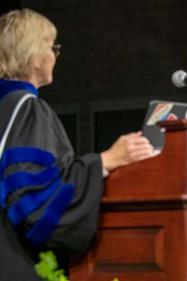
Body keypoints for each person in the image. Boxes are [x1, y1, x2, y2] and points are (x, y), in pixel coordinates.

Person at [0, 9, 156, 280]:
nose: (55, 55)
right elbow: (35, 203)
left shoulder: (6, 107)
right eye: (52, 47)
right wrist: (106, 160)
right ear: (34, 56)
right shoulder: (27, 110)